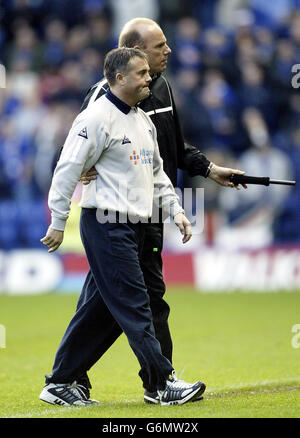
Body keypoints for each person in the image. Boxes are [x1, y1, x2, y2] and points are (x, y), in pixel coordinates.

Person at [79, 18, 247, 404]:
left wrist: (209, 169)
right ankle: (160, 383)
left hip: (152, 212)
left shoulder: (163, 87)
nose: (168, 51)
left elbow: (171, 149)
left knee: (115, 301)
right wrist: (78, 175)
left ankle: (67, 378)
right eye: (160, 47)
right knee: (142, 301)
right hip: (114, 216)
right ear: (135, 52)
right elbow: (76, 146)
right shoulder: (102, 97)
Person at [39, 47, 206, 407]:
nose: (150, 79)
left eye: (149, 72)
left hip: (139, 226)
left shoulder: (142, 119)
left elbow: (157, 171)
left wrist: (175, 210)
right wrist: (57, 220)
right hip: (107, 225)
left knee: (104, 310)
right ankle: (162, 383)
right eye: (142, 73)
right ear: (119, 79)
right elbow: (68, 168)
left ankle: (61, 381)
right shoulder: (94, 118)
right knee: (135, 304)